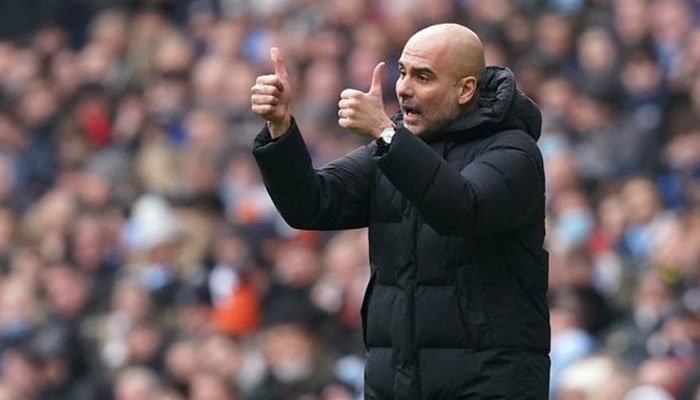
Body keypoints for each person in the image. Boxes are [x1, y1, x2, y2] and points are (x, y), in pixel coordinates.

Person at [250, 23, 550, 399]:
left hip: (487, 385)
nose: (404, 87)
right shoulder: (395, 147)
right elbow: (312, 204)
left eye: (423, 77)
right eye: (403, 72)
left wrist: (386, 134)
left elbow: (461, 210)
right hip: (396, 382)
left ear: (465, 89)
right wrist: (280, 128)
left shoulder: (514, 152)